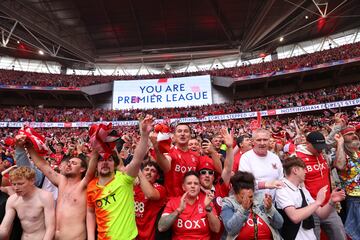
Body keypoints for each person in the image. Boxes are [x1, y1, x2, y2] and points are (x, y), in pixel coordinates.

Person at [17, 132, 99, 240]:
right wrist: (28, 146)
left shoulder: (83, 184)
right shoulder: (62, 181)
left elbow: (91, 169)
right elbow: (42, 165)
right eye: (69, 162)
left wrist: (97, 147)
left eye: (74, 163)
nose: (69, 164)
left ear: (82, 169)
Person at [87, 115, 153, 240]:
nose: (105, 162)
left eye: (110, 159)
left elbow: (137, 159)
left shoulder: (124, 178)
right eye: (101, 160)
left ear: (115, 164)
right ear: (96, 165)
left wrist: (144, 135)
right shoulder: (91, 186)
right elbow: (90, 212)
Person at [275, 157, 346, 240]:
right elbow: (294, 217)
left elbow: (321, 214)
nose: (306, 172)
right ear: (295, 170)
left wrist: (331, 201)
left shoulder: (302, 189)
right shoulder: (282, 189)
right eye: (304, 169)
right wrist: (317, 202)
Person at [295, 131, 346, 240]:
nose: (320, 149)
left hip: (329, 205)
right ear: (307, 144)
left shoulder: (323, 155)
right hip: (310, 209)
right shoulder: (296, 158)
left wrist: (340, 143)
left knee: (340, 236)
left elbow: (340, 165)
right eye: (317, 147)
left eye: (322, 146)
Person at [158, 171, 220, 240]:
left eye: (196, 183)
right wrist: (179, 210)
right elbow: (161, 227)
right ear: (183, 187)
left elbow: (216, 229)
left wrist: (208, 207)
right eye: (189, 183)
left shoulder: (207, 201)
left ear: (199, 187)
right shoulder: (173, 202)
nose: (193, 186)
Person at [221, 171, 283, 240]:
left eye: (250, 197)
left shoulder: (261, 199)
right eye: (243, 197)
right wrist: (243, 209)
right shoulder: (228, 203)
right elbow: (231, 229)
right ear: (235, 194)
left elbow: (279, 224)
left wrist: (270, 209)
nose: (248, 200)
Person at [0, 166, 55, 240]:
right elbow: (4, 228)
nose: (16, 188)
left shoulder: (45, 197)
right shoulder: (12, 200)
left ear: (32, 181)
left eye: (20, 184)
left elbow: (50, 228)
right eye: (14, 184)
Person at [152, 123, 200, 197]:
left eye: (186, 131)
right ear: (174, 136)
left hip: (192, 202)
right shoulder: (169, 152)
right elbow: (166, 167)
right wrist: (156, 148)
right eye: (179, 131)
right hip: (173, 202)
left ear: (190, 136)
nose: (182, 134)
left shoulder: (196, 156)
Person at [239, 128, 284, 198]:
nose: (262, 143)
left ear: (269, 141)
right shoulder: (246, 158)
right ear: (253, 142)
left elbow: (281, 179)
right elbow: (244, 182)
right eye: (259, 140)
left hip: (275, 203)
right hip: (254, 203)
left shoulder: (275, 157)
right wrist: (266, 184)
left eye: (265, 140)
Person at [333, 126, 360, 240]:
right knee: (355, 230)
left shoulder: (357, 152)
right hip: (353, 197)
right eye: (349, 134)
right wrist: (340, 143)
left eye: (354, 133)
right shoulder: (341, 153)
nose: (354, 135)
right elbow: (339, 165)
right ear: (343, 138)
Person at [134, 161, 166, 240]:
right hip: (132, 235)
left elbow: (151, 195)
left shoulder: (160, 188)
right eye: (146, 169)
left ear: (157, 176)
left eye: (153, 170)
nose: (149, 172)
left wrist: (139, 175)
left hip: (149, 236)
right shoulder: (133, 186)